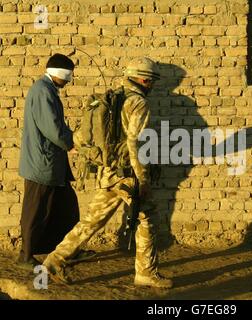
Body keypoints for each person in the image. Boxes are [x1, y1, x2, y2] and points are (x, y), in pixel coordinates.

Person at [43, 57, 173, 289]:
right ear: (144, 79)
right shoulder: (138, 103)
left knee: (91, 221)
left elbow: (82, 138)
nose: (151, 85)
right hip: (127, 176)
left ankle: (54, 261)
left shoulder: (112, 98)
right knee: (148, 218)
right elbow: (136, 144)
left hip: (108, 173)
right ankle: (145, 273)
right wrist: (142, 180)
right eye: (151, 81)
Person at [17, 53, 80, 270]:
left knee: (67, 208)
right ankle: (25, 256)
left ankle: (67, 250)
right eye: (68, 76)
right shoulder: (43, 92)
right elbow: (52, 129)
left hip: (53, 164)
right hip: (42, 164)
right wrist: (71, 143)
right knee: (36, 210)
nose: (69, 81)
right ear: (60, 74)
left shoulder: (47, 90)